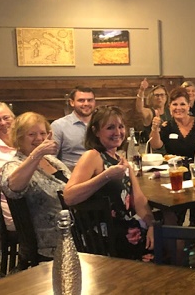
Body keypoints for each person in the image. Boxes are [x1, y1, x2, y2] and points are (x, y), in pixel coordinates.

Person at [63, 106, 155, 261]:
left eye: (120, 126)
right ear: (96, 131)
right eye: (110, 128)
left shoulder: (121, 160)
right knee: (164, 249)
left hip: (125, 230)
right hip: (103, 238)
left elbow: (138, 199)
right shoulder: (92, 156)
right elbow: (69, 196)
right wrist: (105, 176)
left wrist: (152, 225)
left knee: (165, 238)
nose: (117, 132)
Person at [0, 112, 69, 261]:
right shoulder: (14, 165)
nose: (39, 138)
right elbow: (12, 188)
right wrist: (37, 154)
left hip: (74, 228)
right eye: (31, 134)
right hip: (52, 241)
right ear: (19, 138)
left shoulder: (52, 160)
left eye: (43, 133)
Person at [150, 87, 195, 159]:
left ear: (188, 106)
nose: (178, 108)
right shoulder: (167, 126)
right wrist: (155, 129)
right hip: (174, 168)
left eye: (182, 104)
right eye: (175, 104)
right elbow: (155, 145)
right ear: (170, 106)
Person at [51, 86, 96, 170]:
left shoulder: (101, 123)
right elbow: (50, 159)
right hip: (71, 175)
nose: (86, 103)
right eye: (81, 100)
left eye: (90, 100)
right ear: (72, 102)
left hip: (101, 173)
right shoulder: (58, 126)